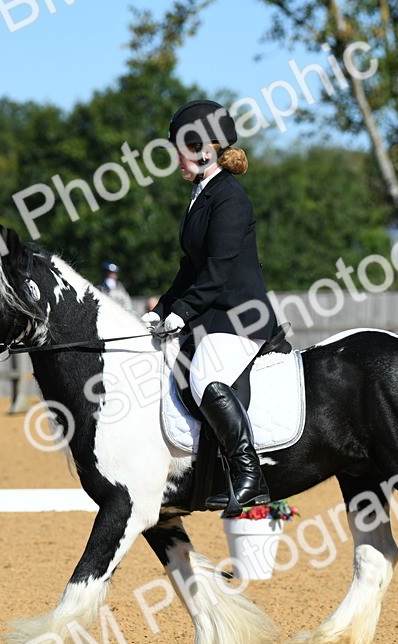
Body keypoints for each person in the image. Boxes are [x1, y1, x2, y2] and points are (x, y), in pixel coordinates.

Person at [141, 99, 279, 511]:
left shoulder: (229, 199)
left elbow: (216, 273)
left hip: (241, 317)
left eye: (181, 150)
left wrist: (181, 313)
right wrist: (161, 309)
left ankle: (249, 475)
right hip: (214, 315)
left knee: (204, 377)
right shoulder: (201, 195)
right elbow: (190, 268)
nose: (176, 161)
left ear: (205, 150)